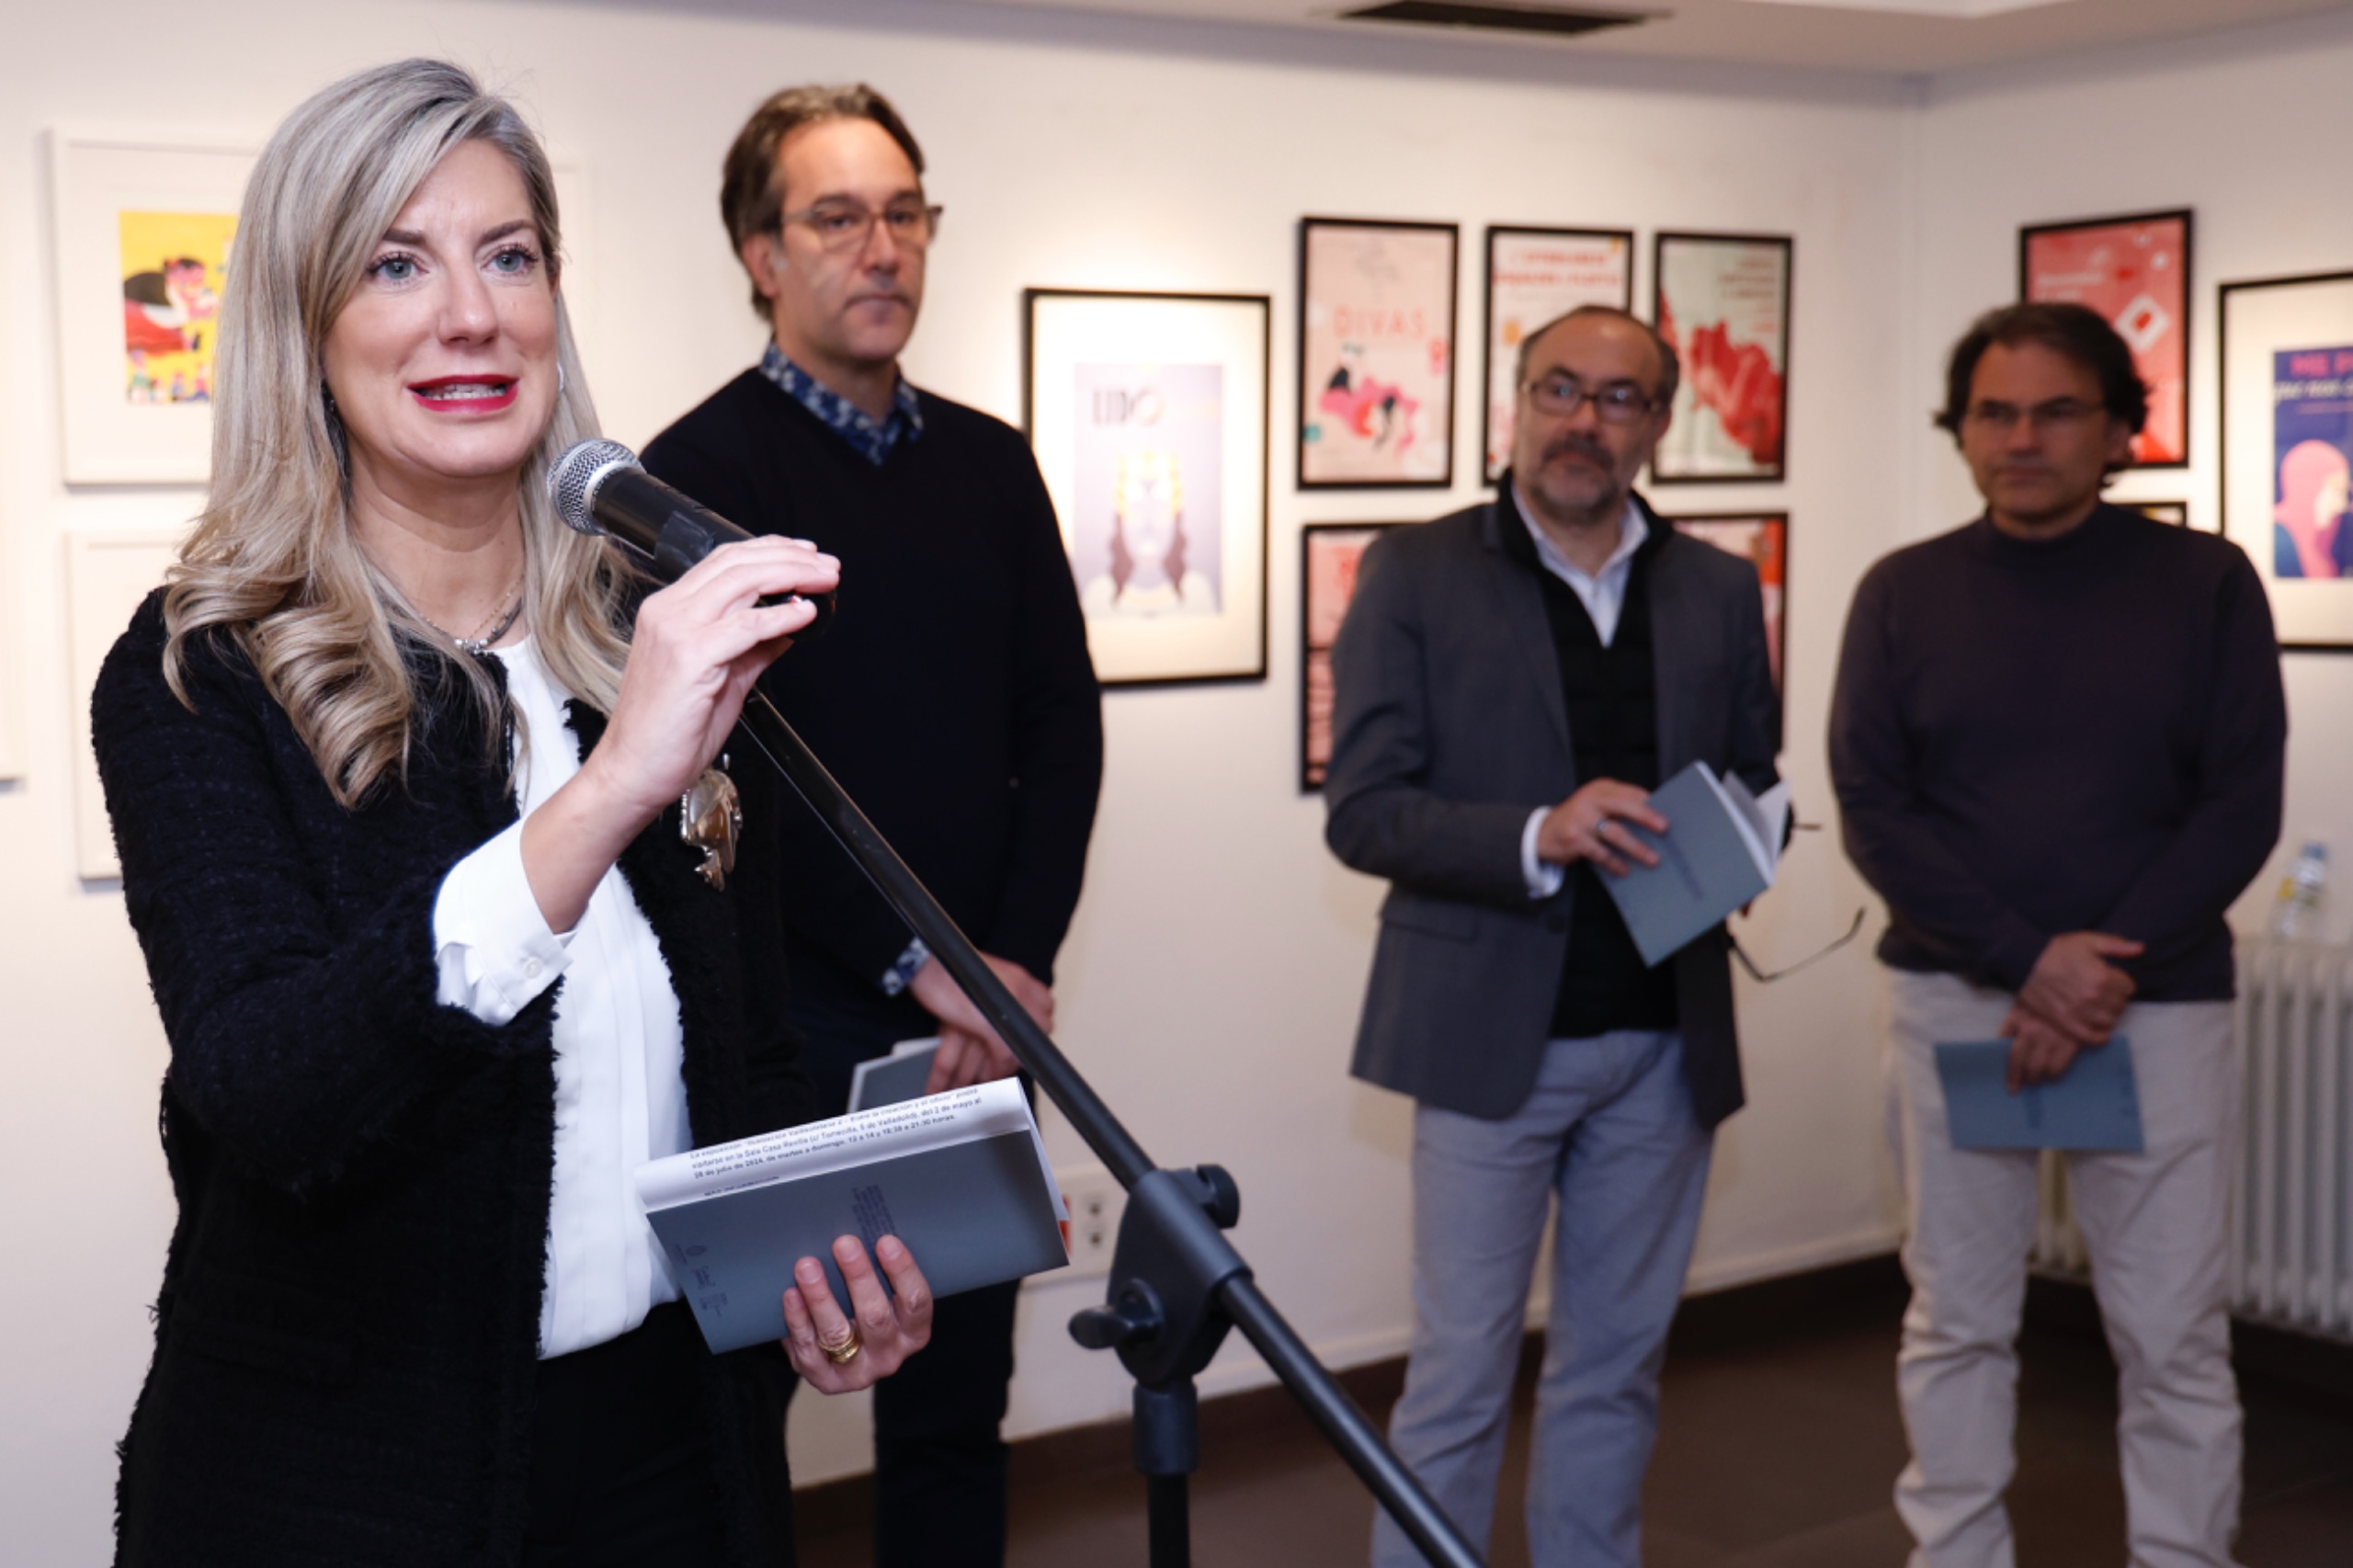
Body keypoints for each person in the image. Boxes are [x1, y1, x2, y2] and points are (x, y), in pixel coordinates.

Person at [91, 60, 936, 1568]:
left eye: (509, 256)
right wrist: (608, 795)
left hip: (681, 1454)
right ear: (303, 322)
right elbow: (270, 1094)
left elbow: (746, 1060)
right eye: (396, 264)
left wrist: (813, 1282)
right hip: (342, 1487)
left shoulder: (637, 643)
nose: (471, 314)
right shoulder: (199, 673)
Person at [642, 84, 1102, 1568]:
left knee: (956, 1411)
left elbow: (1062, 726)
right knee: (740, 1418)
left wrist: (1010, 968)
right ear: (761, 253)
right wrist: (926, 964)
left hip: (983, 1021)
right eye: (837, 216)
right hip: (793, 1020)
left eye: (905, 212)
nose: (883, 246)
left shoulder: (992, 462)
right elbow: (727, 774)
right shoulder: (694, 479)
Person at [1829, 301, 2286, 1568]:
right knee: (1957, 1318)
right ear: (1962, 431)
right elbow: (1875, 807)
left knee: (2171, 1332)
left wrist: (2092, 970)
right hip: (1962, 1003)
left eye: (2055, 411)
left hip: (2155, 1009)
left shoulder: (2205, 584)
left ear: (2122, 430)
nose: (2020, 438)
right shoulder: (1904, 592)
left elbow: (2238, 803)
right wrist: (2032, 965)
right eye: (1994, 413)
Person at [1324, 304, 1780, 1568]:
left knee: (1615, 1373)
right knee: (1459, 1377)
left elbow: (1754, 774)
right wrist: (1542, 831)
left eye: (1618, 398)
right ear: (1515, 404)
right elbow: (1365, 811)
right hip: (1485, 1045)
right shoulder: (1415, 571)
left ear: (1660, 422)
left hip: (1666, 1044)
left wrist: (1739, 849)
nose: (1585, 421)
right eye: (1560, 390)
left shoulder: (1718, 587)